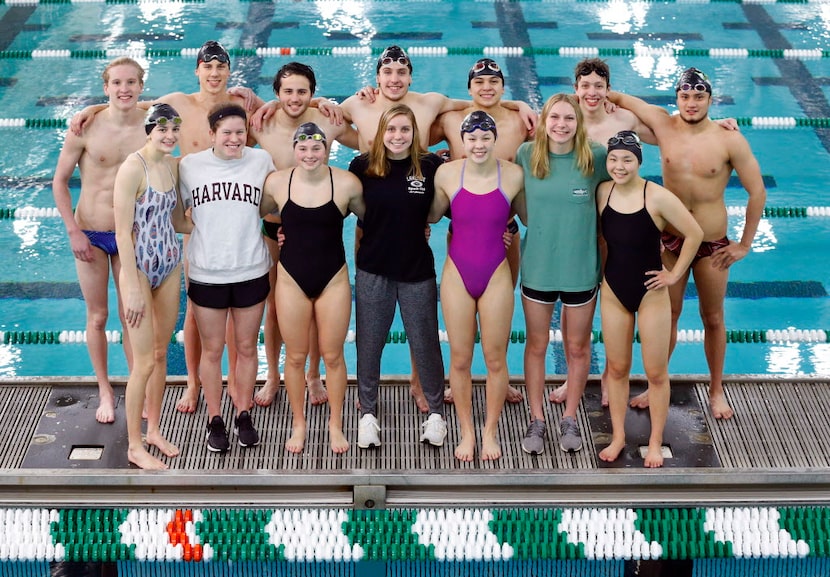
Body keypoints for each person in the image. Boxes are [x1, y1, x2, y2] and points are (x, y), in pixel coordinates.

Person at [70, 41, 266, 414]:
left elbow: (262, 141)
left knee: (234, 315)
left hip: (228, 214)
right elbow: (130, 107)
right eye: (207, 67)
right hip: (188, 216)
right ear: (197, 70)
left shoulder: (242, 106)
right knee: (196, 308)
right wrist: (93, 108)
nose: (213, 73)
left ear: (228, 71)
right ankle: (193, 385)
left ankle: (233, 390)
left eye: (220, 67)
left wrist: (263, 101)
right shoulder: (177, 101)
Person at [549, 58, 739, 408]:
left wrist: (714, 126)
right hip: (579, 226)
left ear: (607, 89)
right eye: (585, 86)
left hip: (618, 228)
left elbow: (674, 131)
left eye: (599, 86)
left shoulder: (624, 119)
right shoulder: (563, 121)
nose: (592, 93)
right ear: (576, 89)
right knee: (574, 300)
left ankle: (609, 375)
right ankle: (569, 376)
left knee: (613, 297)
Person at [607, 67, 767, 420]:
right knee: (670, 315)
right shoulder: (664, 125)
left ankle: (716, 390)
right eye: (685, 96)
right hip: (669, 242)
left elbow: (758, 192)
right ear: (676, 97)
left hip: (712, 246)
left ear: (711, 99)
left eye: (699, 96)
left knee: (712, 317)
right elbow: (614, 96)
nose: (691, 103)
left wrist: (744, 244)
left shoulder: (730, 139)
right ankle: (655, 384)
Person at [249, 62, 358, 409]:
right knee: (274, 305)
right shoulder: (262, 124)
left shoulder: (326, 119)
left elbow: (369, 136)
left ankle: (312, 375)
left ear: (312, 93)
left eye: (303, 91)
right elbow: (224, 137)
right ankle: (272, 376)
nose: (295, 98)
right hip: (272, 227)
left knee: (315, 302)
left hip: (315, 229)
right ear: (277, 94)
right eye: (287, 92)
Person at [596, 131, 703, 468]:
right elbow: (602, 238)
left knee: (656, 373)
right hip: (613, 289)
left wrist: (673, 275)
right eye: (613, 159)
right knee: (616, 369)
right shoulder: (602, 192)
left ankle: (655, 442)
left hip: (651, 293)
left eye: (627, 159)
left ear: (639, 162)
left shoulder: (656, 196)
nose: (619, 165)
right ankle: (618, 436)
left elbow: (695, 233)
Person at [52, 57, 147, 424]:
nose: (124, 88)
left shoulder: (150, 125)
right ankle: (105, 390)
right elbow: (59, 181)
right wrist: (72, 231)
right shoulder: (86, 128)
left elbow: (189, 101)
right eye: (117, 83)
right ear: (106, 87)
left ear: (141, 87)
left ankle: (136, 389)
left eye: (131, 82)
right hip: (89, 233)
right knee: (97, 316)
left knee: (131, 316)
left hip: (129, 235)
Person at [513, 93, 609, 455]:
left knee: (578, 347)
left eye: (569, 118)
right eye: (555, 118)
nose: (561, 125)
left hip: (581, 270)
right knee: (536, 345)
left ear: (578, 122)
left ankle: (569, 416)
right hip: (538, 267)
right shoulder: (527, 155)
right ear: (544, 119)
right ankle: (537, 419)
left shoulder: (595, 158)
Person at [431, 57, 530, 405]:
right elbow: (410, 137)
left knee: (499, 316)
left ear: (503, 86)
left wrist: (523, 104)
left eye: (494, 81)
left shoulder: (522, 120)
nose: (487, 87)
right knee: (460, 321)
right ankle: (459, 378)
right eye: (479, 82)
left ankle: (497, 377)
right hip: (462, 232)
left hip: (506, 231)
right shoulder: (451, 119)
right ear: (469, 87)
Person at [262, 123, 365, 454]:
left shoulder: (347, 183)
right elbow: (261, 214)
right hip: (291, 278)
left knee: (333, 356)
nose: (310, 154)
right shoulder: (277, 182)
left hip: (333, 278)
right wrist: (277, 234)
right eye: (303, 148)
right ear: (294, 149)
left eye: (316, 148)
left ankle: (336, 425)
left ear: (327, 149)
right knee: (294, 357)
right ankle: (299, 423)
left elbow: (372, 220)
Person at [348, 104, 447, 449]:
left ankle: (436, 414)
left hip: (416, 269)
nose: (398, 136)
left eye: (405, 129)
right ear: (381, 133)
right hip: (373, 268)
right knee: (369, 345)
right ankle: (367, 415)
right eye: (391, 130)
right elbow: (343, 209)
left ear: (414, 133)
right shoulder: (362, 167)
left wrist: (506, 228)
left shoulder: (432, 167)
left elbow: (457, 203)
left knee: (426, 344)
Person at [178, 103, 275, 452]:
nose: (234, 139)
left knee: (247, 348)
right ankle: (215, 420)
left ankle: (244, 413)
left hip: (251, 269)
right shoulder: (190, 166)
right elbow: (176, 215)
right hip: (207, 273)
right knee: (213, 350)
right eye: (227, 133)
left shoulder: (261, 161)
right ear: (212, 135)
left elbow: (273, 206)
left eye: (239, 132)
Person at [429, 111, 524, 461]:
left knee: (495, 358)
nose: (479, 144)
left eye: (485, 138)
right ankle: (467, 432)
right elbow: (432, 215)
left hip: (496, 273)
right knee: (460, 357)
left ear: (494, 139)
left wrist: (507, 231)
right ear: (462, 140)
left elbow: (527, 218)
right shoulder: (447, 173)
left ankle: (490, 432)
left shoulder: (513, 175)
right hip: (457, 273)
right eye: (472, 138)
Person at [113, 104, 190, 469]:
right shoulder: (133, 168)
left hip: (170, 263)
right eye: (162, 129)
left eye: (174, 129)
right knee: (142, 362)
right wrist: (129, 286)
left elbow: (177, 221)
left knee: (160, 353)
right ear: (149, 130)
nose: (169, 135)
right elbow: (122, 234)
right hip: (140, 269)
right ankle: (133, 444)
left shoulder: (172, 166)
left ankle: (154, 429)